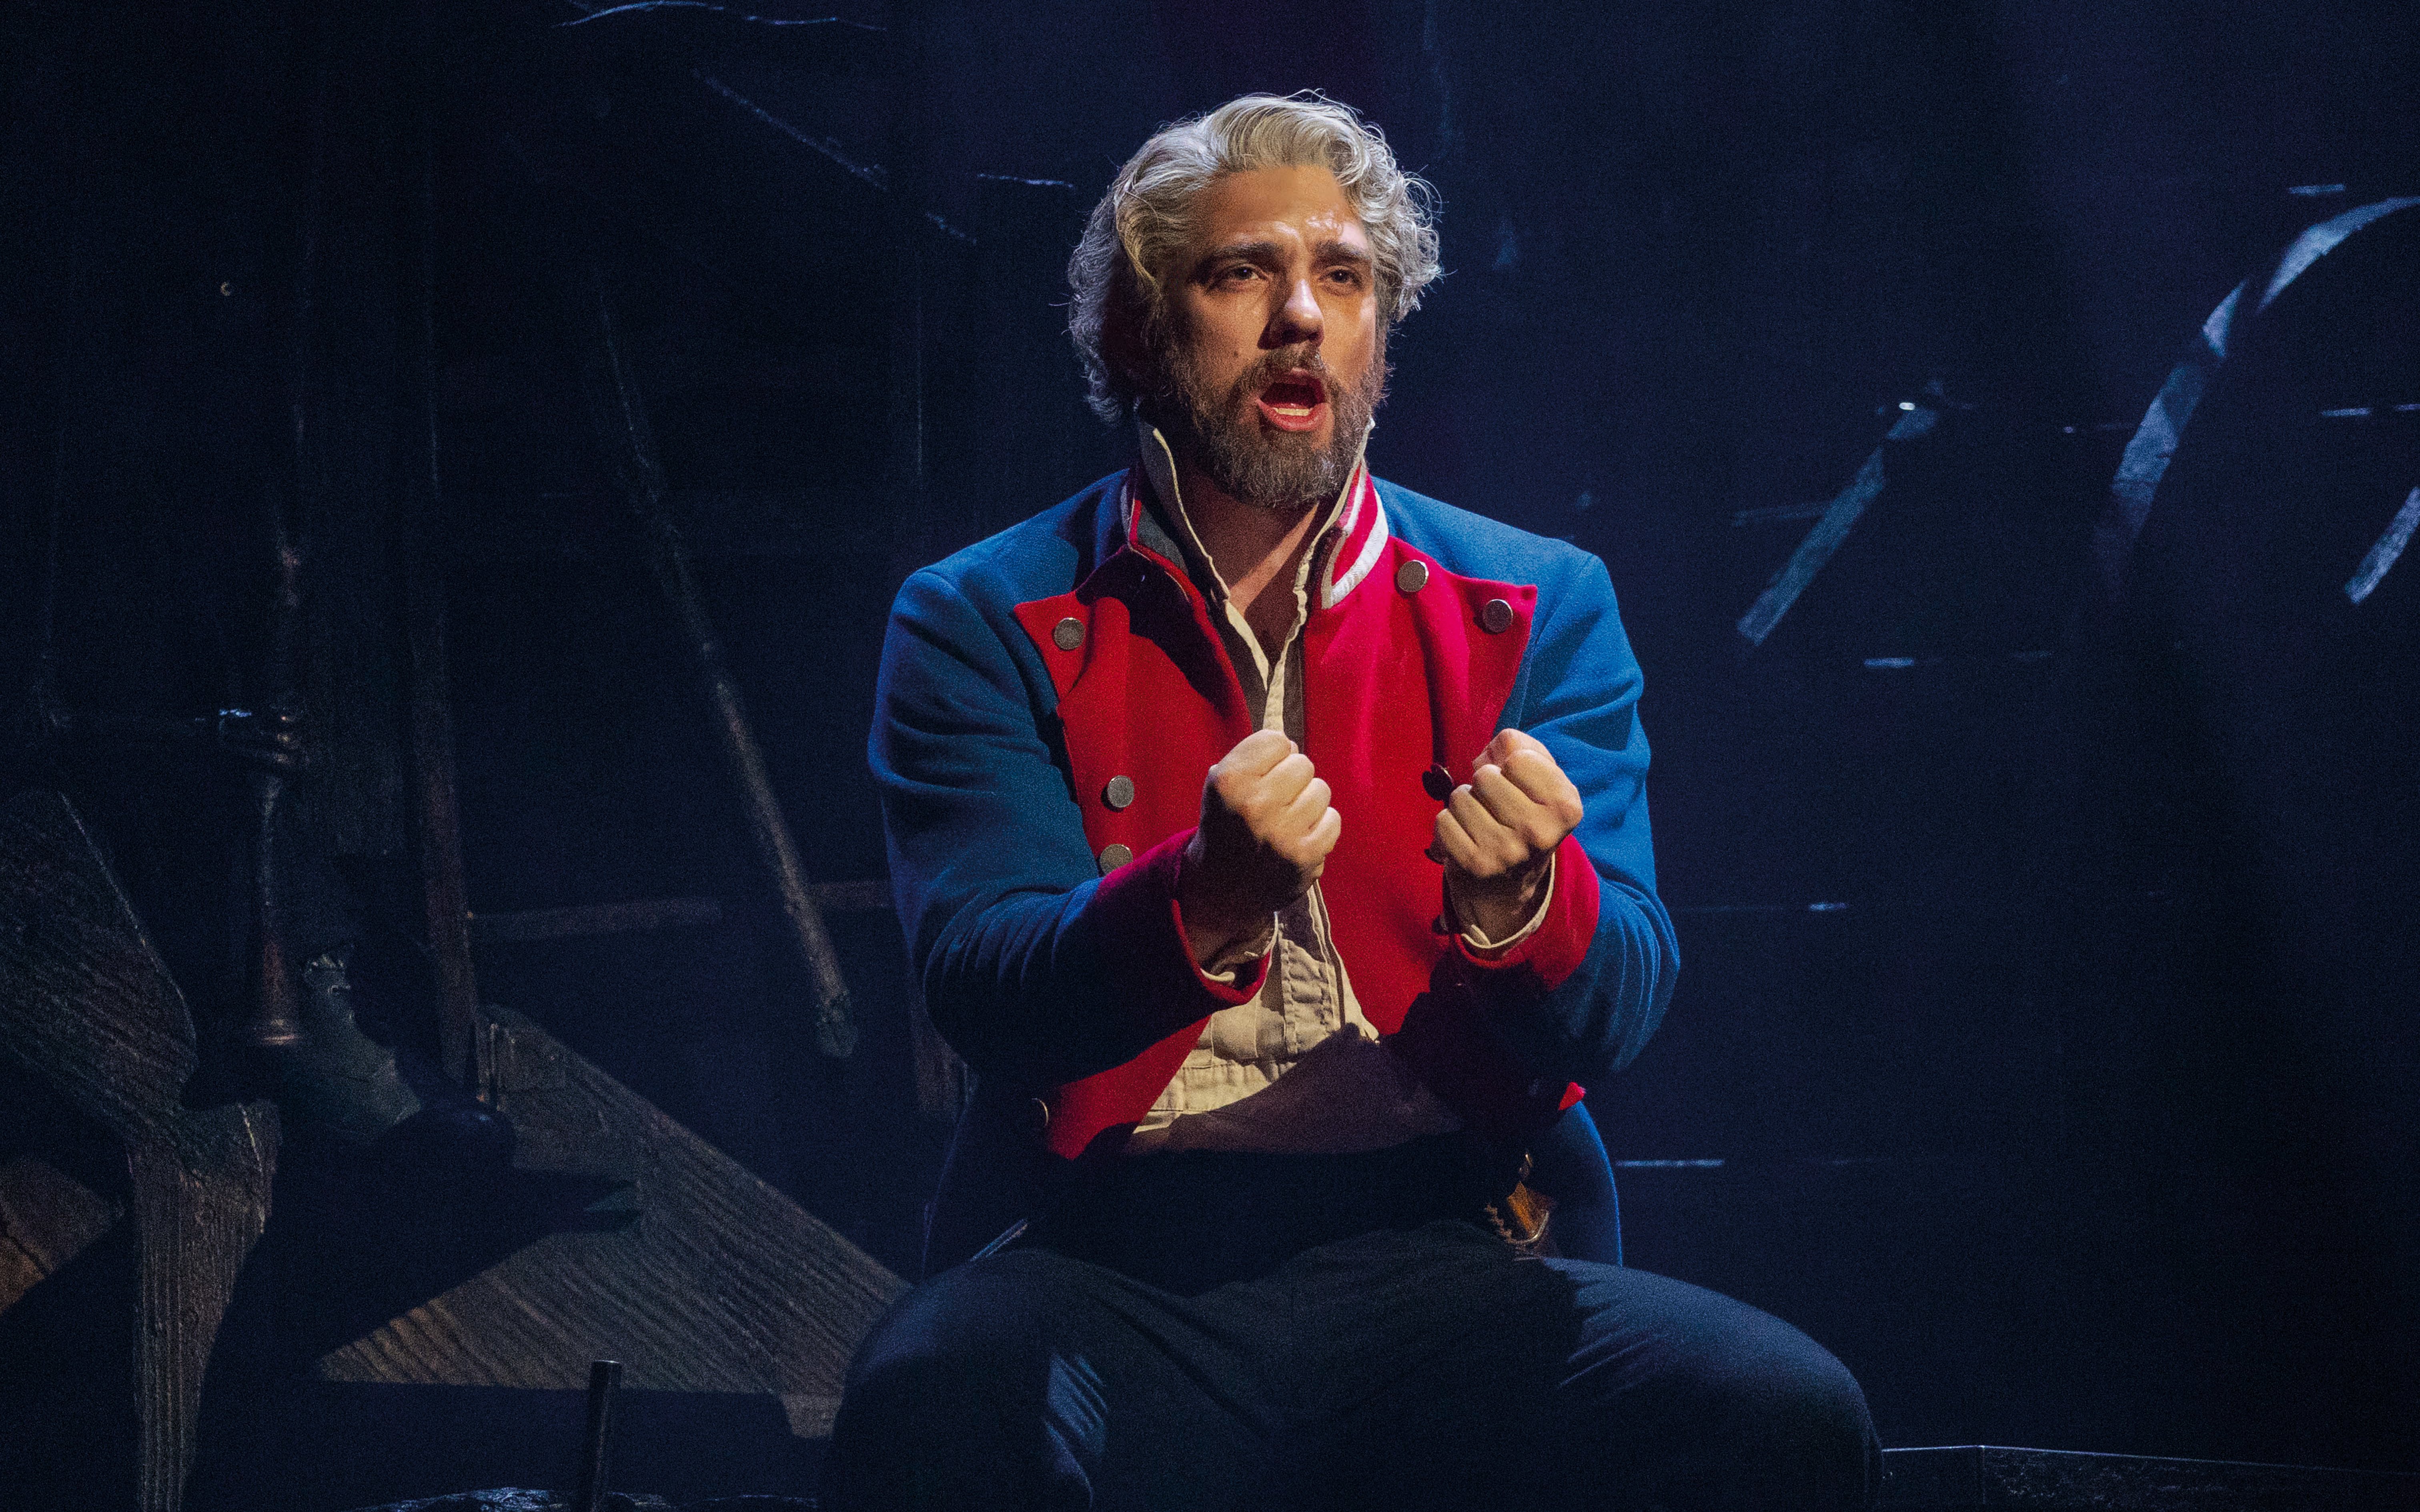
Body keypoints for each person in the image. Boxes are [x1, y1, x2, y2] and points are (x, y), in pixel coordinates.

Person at [823, 92, 1879, 1512]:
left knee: (1791, 1421)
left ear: (1382, 340)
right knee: (927, 1410)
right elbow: (988, 982)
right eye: (1239, 271)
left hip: (1455, 1241)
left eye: (1343, 276)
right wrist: (1198, 907)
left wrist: (1529, 912)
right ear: (1138, 336)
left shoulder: (1534, 605)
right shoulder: (985, 615)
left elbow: (1625, 1000)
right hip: (1110, 1258)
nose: (1301, 317)